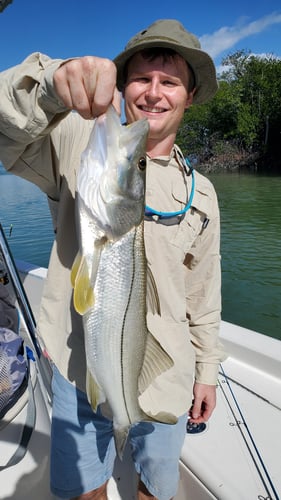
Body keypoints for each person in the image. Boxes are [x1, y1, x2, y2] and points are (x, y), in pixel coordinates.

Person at [0, 19, 226, 500]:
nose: (153, 92)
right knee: (84, 489)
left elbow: (204, 292)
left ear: (189, 95)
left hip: (169, 375)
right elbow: (5, 127)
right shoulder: (80, 144)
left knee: (156, 488)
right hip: (79, 370)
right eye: (142, 78)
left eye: (170, 82)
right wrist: (51, 86)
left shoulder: (201, 193)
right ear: (123, 88)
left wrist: (206, 370)